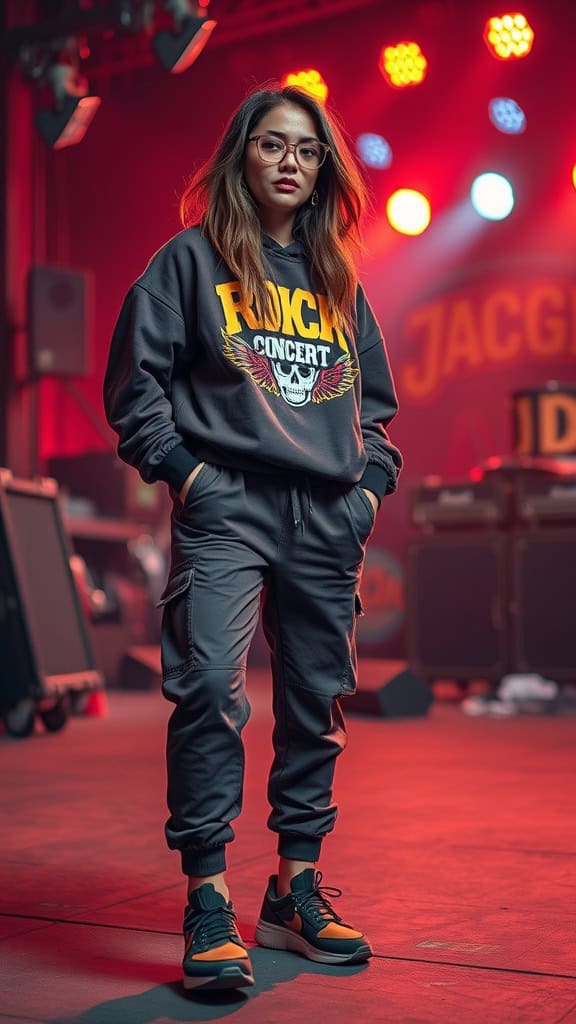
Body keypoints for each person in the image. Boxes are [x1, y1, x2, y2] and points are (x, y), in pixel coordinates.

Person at [104, 83, 403, 992]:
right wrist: (192, 478)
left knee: (316, 700)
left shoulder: (337, 277)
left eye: (307, 151)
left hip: (324, 515)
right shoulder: (189, 264)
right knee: (207, 692)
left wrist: (364, 497)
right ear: (242, 156)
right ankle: (207, 899)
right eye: (272, 145)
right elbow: (134, 384)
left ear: (323, 171)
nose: (288, 162)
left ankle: (292, 893)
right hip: (227, 507)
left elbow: (378, 416)